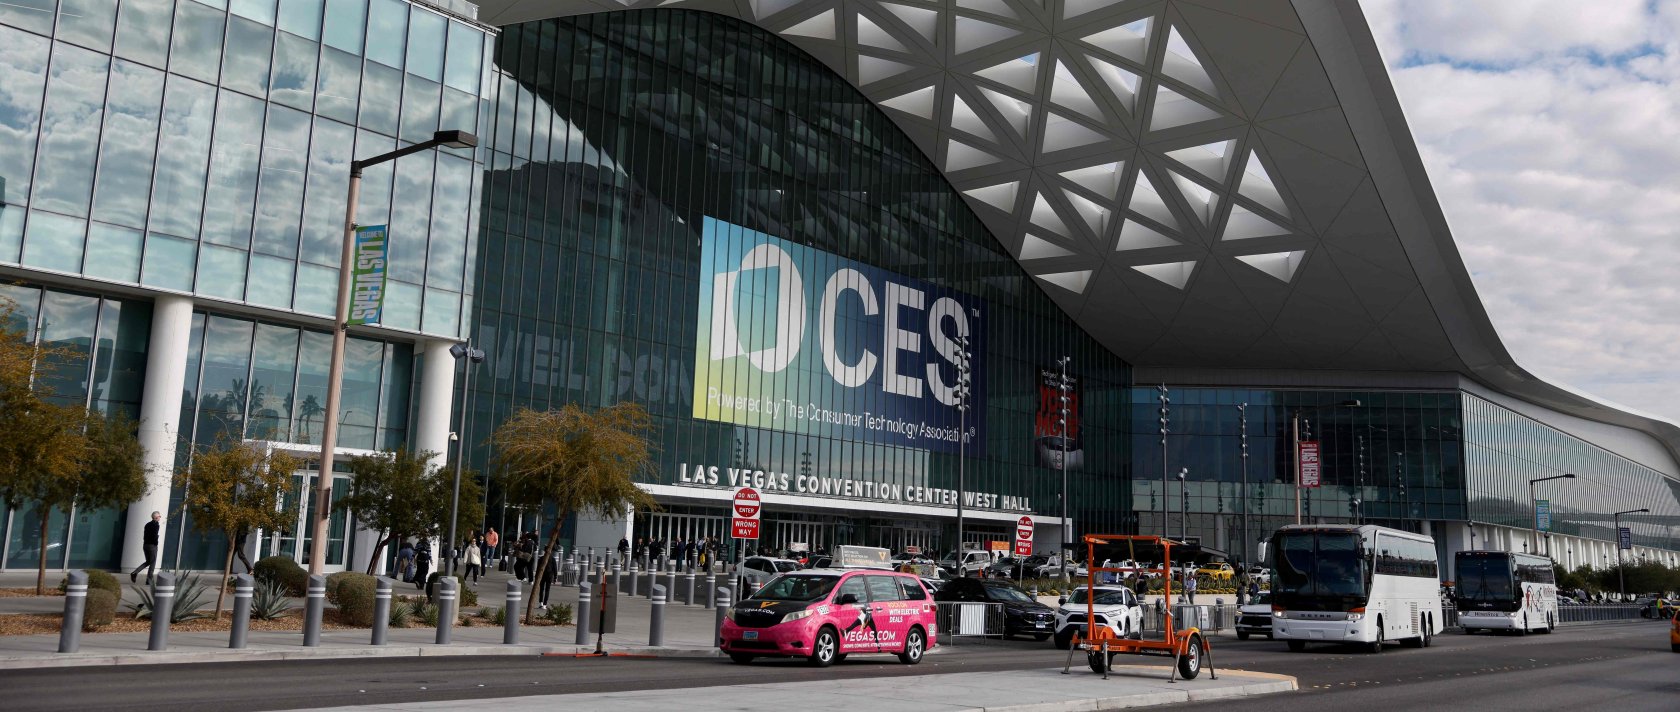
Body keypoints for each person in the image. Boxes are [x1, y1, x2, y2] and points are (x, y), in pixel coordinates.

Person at [130, 511, 162, 584]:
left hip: (145, 545)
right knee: (152, 563)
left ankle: (135, 572)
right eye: (159, 516)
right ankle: (149, 580)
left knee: (148, 561)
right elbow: (154, 535)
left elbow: (145, 536)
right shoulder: (156, 525)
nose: (160, 517)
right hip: (152, 546)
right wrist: (156, 542)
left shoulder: (147, 524)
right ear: (156, 517)